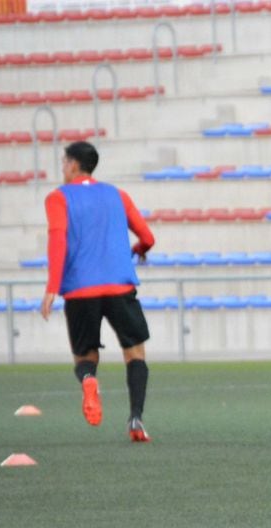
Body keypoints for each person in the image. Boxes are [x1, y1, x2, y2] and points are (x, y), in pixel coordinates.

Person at [40, 141, 156, 442]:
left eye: (64, 162)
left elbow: (58, 241)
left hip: (80, 290)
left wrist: (52, 288)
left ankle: (90, 380)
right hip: (119, 284)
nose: (63, 167)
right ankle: (136, 420)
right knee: (135, 353)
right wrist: (139, 249)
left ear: (75, 165)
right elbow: (147, 236)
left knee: (84, 357)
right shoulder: (117, 195)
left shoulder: (57, 198)